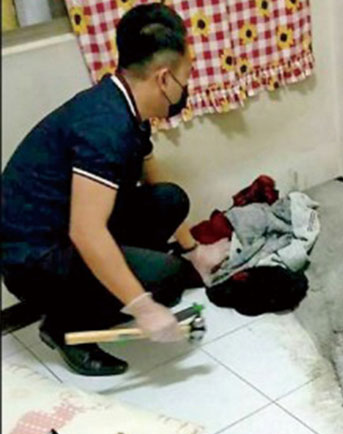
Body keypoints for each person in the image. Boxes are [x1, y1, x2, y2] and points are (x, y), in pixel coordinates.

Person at [1, 4, 225, 376]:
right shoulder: (105, 128)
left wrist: (193, 250)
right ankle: (64, 325)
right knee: (166, 281)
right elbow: (86, 232)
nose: (186, 88)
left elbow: (150, 175)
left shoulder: (124, 102)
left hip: (63, 228)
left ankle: (109, 285)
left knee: (170, 200)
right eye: (185, 78)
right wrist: (143, 307)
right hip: (32, 259)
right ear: (164, 78)